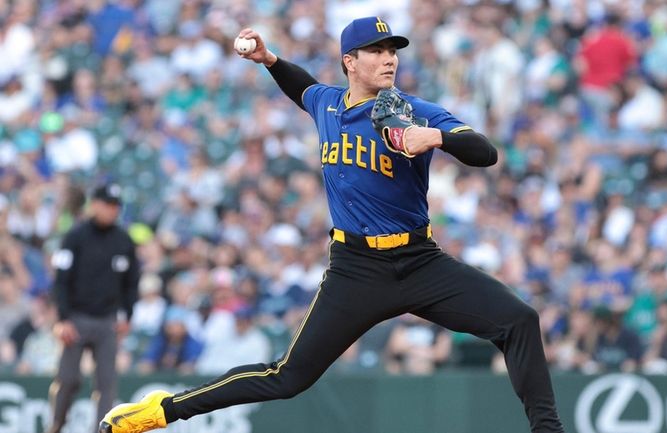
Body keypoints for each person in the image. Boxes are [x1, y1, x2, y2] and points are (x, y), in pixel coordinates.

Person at [100, 17, 564, 433]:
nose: (389, 59)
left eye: (393, 51)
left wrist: (438, 137)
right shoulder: (327, 103)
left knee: (519, 320)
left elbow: (485, 152)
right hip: (355, 268)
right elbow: (301, 87)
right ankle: (161, 411)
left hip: (421, 261)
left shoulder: (411, 111)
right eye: (377, 51)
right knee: (287, 378)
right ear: (350, 61)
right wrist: (269, 60)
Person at [49, 182, 139, 433]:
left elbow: (132, 282)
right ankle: (56, 425)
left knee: (107, 383)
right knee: (67, 380)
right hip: (76, 318)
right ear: (95, 205)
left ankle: (102, 431)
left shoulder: (123, 240)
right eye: (108, 205)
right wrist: (62, 318)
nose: (113, 211)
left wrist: (128, 314)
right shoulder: (75, 237)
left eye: (116, 207)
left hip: (107, 320)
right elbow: (61, 280)